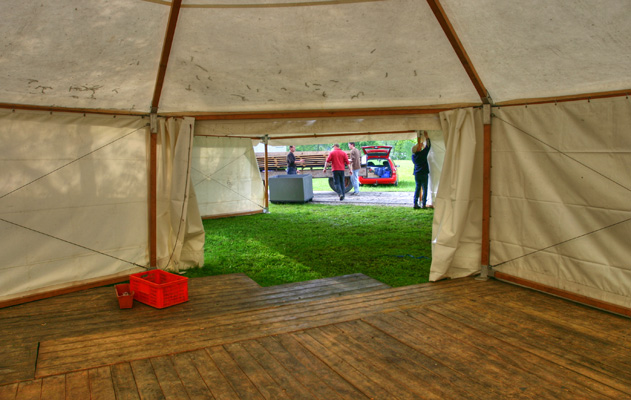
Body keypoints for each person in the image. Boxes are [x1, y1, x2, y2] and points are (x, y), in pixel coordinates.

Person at [412, 131, 431, 209]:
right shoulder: (422, 154)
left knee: (417, 188)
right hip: (423, 173)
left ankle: (415, 203)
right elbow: (428, 147)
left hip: (417, 174)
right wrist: (427, 138)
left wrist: (421, 146)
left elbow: (424, 149)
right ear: (418, 149)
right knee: (425, 188)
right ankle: (423, 204)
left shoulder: (413, 156)